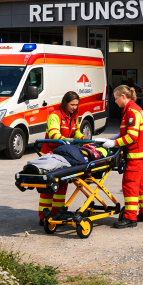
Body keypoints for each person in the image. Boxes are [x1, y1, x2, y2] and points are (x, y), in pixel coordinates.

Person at [104, 85, 143, 229]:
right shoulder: (134, 109)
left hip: (136, 153)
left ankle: (130, 218)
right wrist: (116, 136)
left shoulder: (131, 111)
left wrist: (114, 143)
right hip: (142, 152)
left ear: (123, 97)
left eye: (116, 98)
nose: (115, 101)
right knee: (141, 183)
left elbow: (132, 136)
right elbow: (130, 131)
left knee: (130, 184)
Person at [38, 91, 84, 225]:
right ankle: (43, 217)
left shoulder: (74, 117)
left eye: (76, 105)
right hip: (50, 155)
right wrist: (66, 140)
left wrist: (83, 139)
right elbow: (53, 133)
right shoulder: (55, 116)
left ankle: (57, 213)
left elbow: (77, 132)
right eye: (72, 104)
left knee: (62, 186)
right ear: (65, 103)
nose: (74, 107)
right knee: (48, 188)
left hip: (63, 155)